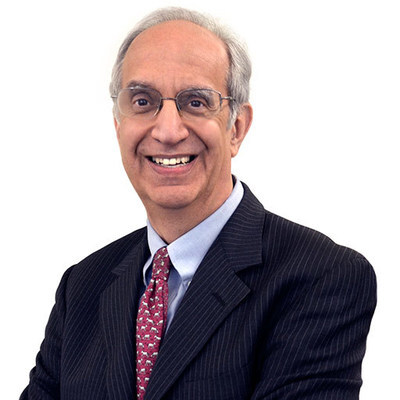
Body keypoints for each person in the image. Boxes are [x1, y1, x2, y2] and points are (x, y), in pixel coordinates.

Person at [20, 7, 376, 400]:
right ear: (119, 125)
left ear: (236, 128)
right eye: (143, 101)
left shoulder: (322, 277)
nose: (168, 131)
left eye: (195, 102)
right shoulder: (83, 286)